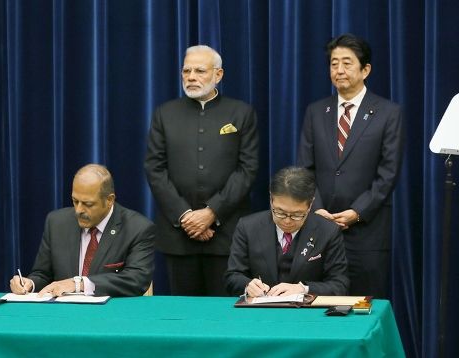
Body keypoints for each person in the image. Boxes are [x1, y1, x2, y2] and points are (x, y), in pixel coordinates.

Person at [144, 45, 259, 296]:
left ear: (218, 75)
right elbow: (155, 169)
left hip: (227, 233)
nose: (191, 76)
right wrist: (185, 216)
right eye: (186, 70)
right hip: (178, 235)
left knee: (224, 316)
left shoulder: (241, 112)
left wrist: (211, 212)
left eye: (199, 70)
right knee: (182, 318)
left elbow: (247, 169)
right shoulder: (165, 113)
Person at [297, 33, 404, 298]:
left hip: (366, 232)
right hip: (319, 229)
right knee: (319, 305)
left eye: (347, 63)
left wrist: (357, 212)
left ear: (365, 69)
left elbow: (388, 174)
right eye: (334, 64)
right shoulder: (315, 111)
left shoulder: (389, 113)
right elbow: (305, 168)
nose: (339, 70)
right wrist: (318, 210)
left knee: (363, 306)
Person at [10, 164, 155, 297]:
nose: (79, 210)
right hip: (62, 316)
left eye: (88, 204)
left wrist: (78, 284)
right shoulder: (56, 222)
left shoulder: (137, 228)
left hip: (110, 317)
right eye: (75, 201)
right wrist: (29, 284)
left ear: (109, 200)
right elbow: (42, 274)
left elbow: (136, 279)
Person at [225, 166, 349, 297]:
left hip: (306, 313)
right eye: (280, 212)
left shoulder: (328, 231)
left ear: (310, 204)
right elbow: (232, 276)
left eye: (297, 215)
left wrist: (304, 289)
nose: (287, 221)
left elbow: (340, 284)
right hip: (260, 311)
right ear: (271, 199)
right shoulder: (248, 227)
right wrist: (247, 285)